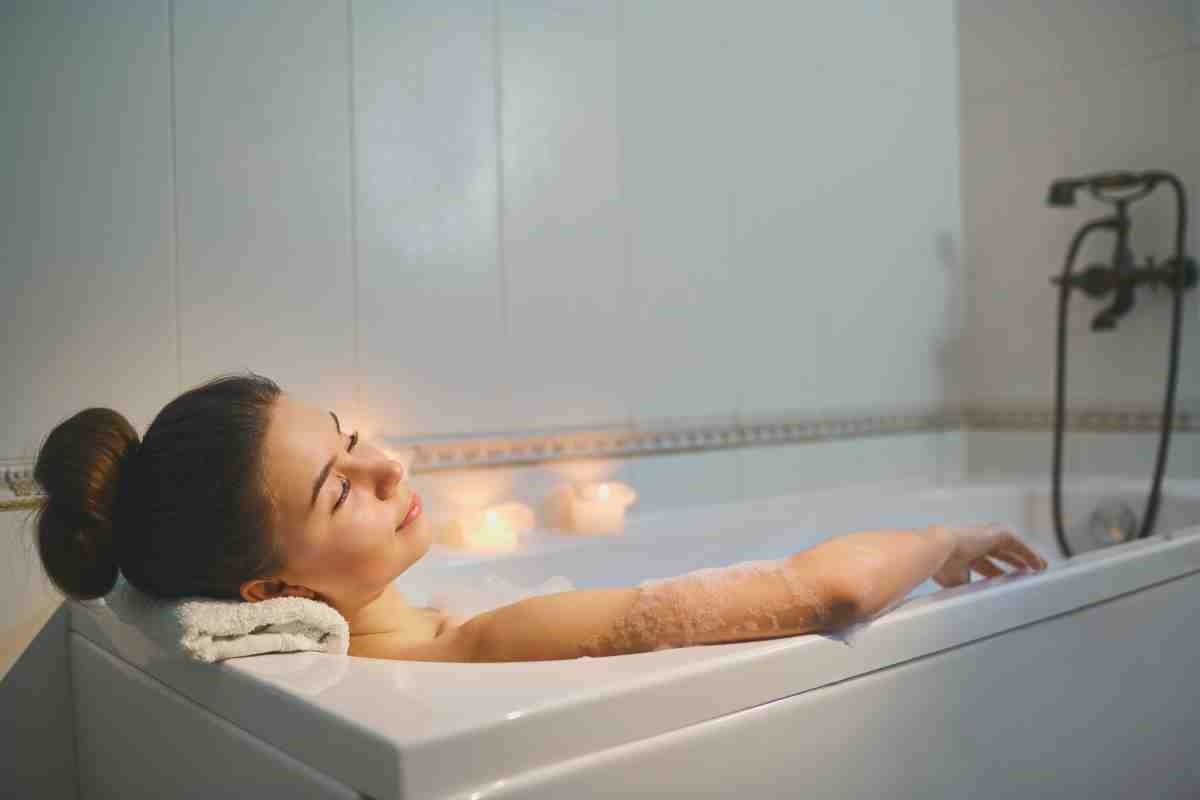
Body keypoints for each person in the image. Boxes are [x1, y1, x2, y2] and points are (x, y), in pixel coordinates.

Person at [33, 373, 1047, 662]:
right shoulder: (478, 643)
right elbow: (827, 589)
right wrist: (943, 538)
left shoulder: (427, 622)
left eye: (348, 436)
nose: (389, 463)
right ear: (269, 592)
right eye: (341, 486)